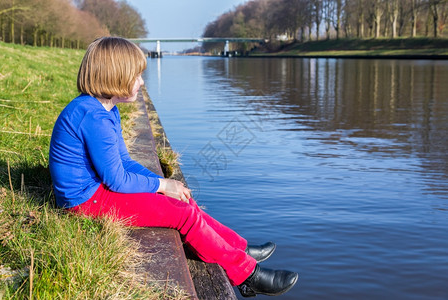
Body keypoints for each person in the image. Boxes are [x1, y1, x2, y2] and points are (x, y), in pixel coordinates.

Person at [49, 36, 298, 297]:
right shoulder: (93, 117)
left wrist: (165, 186)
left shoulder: (105, 109)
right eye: (137, 76)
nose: (142, 82)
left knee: (183, 200)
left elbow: (124, 162)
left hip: (98, 190)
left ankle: (238, 248)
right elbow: (117, 180)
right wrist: (161, 184)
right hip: (85, 202)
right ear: (116, 75)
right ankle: (247, 275)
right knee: (183, 215)